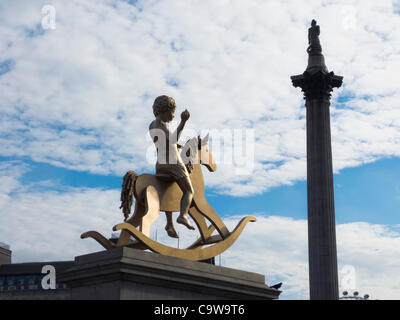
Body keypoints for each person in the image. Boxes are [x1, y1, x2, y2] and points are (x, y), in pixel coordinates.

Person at [149, 95, 195, 236]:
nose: (173, 115)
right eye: (172, 112)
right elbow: (172, 140)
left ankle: (169, 224)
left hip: (160, 164)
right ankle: (183, 215)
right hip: (173, 163)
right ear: (165, 110)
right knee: (189, 191)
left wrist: (177, 145)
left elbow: (165, 142)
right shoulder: (162, 125)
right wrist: (183, 121)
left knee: (170, 191)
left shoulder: (153, 125)